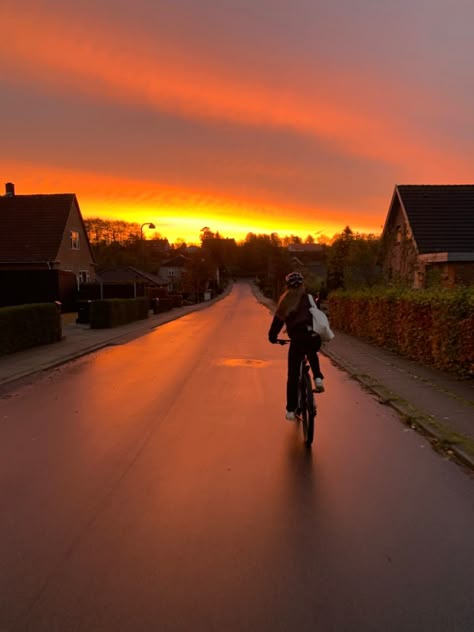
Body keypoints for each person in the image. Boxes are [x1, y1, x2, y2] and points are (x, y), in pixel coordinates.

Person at [268, 271, 325, 421]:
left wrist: (272, 338)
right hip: (312, 336)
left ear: (287, 286)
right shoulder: (310, 298)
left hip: (297, 340)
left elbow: (277, 323)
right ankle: (318, 378)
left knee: (293, 375)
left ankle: (291, 410)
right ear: (302, 285)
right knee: (311, 350)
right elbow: (317, 314)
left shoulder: (285, 302)